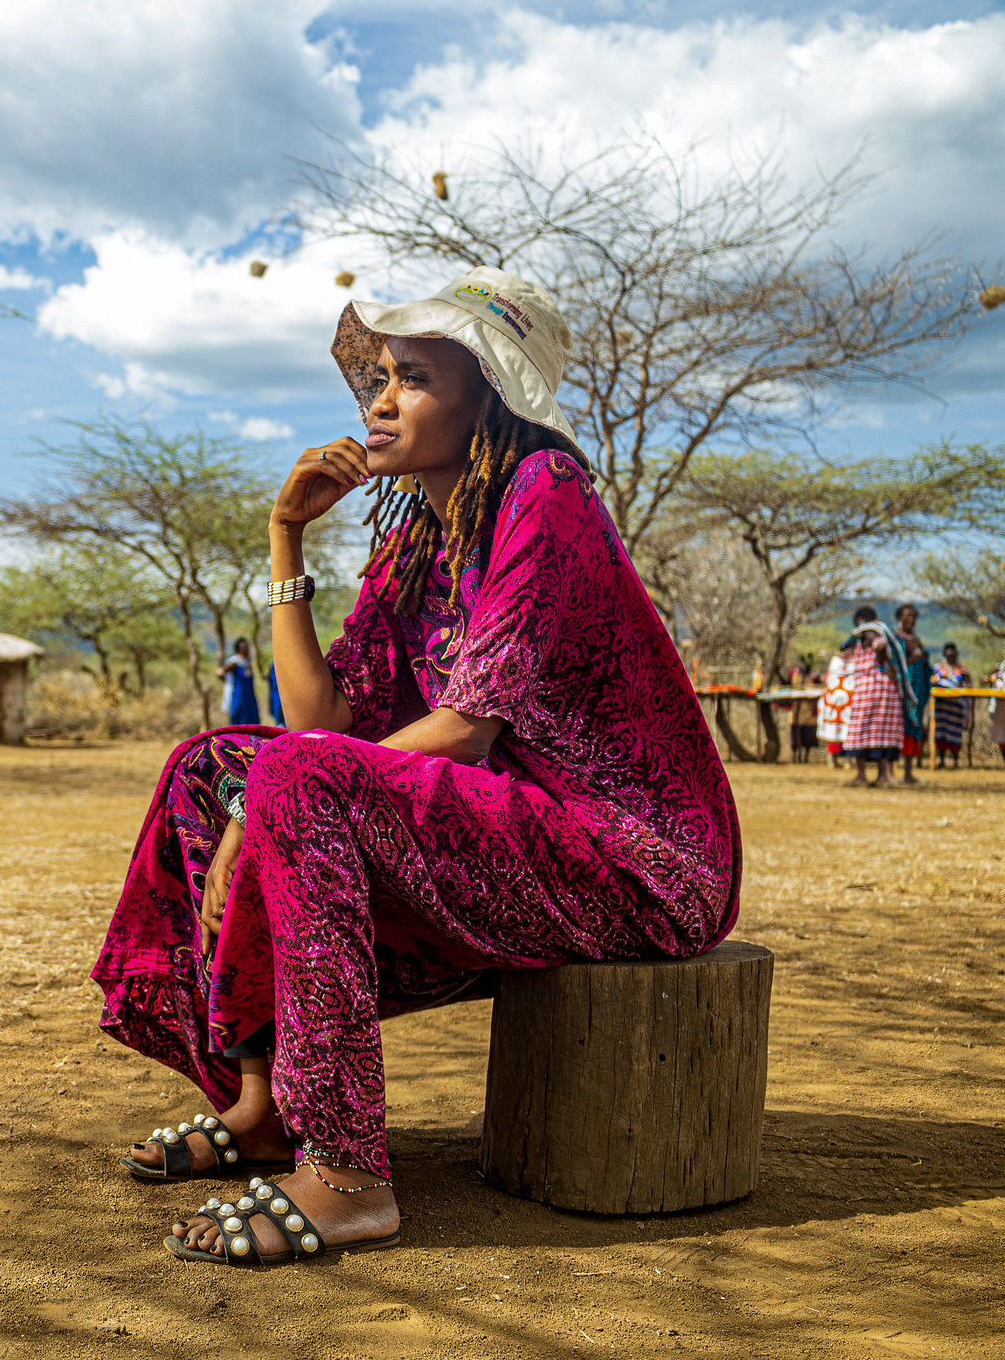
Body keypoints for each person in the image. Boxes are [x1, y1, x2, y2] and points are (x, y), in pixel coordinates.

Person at [95, 268, 741, 1268]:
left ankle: (347, 1178)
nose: (379, 402)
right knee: (211, 769)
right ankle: (266, 1108)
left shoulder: (545, 493)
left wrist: (271, 796)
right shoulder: (418, 543)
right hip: (508, 830)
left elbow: (462, 730)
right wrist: (284, 538)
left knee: (289, 779)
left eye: (414, 379)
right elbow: (324, 718)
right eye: (378, 379)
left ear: (487, 401)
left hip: (628, 859)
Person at [838, 606, 905, 787]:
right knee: (859, 733)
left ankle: (883, 776)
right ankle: (861, 776)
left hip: (883, 698)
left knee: (881, 735)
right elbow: (842, 651)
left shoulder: (881, 642)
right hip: (862, 697)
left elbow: (883, 657)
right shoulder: (856, 645)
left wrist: (876, 643)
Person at [892, 604, 932, 785]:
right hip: (898, 692)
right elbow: (893, 665)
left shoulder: (916, 639)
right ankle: (890, 772)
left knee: (913, 727)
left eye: (914, 617)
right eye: (908, 616)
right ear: (899, 617)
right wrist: (913, 658)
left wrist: (923, 660)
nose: (911, 620)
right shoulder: (893, 639)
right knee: (895, 729)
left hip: (916, 692)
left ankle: (908, 773)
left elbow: (925, 667)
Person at [931, 642, 971, 770]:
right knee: (940, 732)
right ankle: (941, 760)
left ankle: (955, 762)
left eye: (952, 655)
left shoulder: (962, 670)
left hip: (956, 705)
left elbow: (969, 686)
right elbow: (930, 682)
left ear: (956, 655)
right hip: (940, 705)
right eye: (948, 655)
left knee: (954, 732)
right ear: (944, 655)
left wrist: (963, 687)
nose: (950, 657)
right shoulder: (937, 668)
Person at [218, 638, 262, 726]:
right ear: (238, 649)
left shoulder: (247, 662)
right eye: (243, 647)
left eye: (247, 647)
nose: (246, 649)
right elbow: (220, 672)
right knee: (239, 722)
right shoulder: (234, 663)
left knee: (252, 722)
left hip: (249, 697)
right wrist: (227, 681)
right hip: (239, 697)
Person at [788, 652, 822, 764]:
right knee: (795, 731)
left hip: (809, 709)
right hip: (796, 708)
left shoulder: (814, 676)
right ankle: (795, 756)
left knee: (808, 734)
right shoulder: (794, 673)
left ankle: (805, 758)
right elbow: (786, 683)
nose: (808, 666)